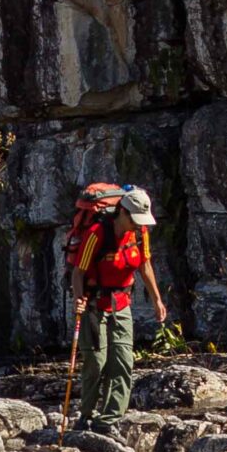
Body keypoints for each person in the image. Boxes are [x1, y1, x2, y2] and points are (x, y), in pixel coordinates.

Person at [64, 183, 171, 438]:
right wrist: (79, 299)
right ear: (122, 212)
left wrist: (157, 300)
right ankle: (86, 415)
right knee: (96, 362)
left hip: (122, 304)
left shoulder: (140, 233)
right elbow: (78, 272)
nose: (138, 224)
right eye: (134, 219)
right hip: (94, 304)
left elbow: (145, 265)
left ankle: (108, 419)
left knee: (123, 361)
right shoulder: (96, 233)